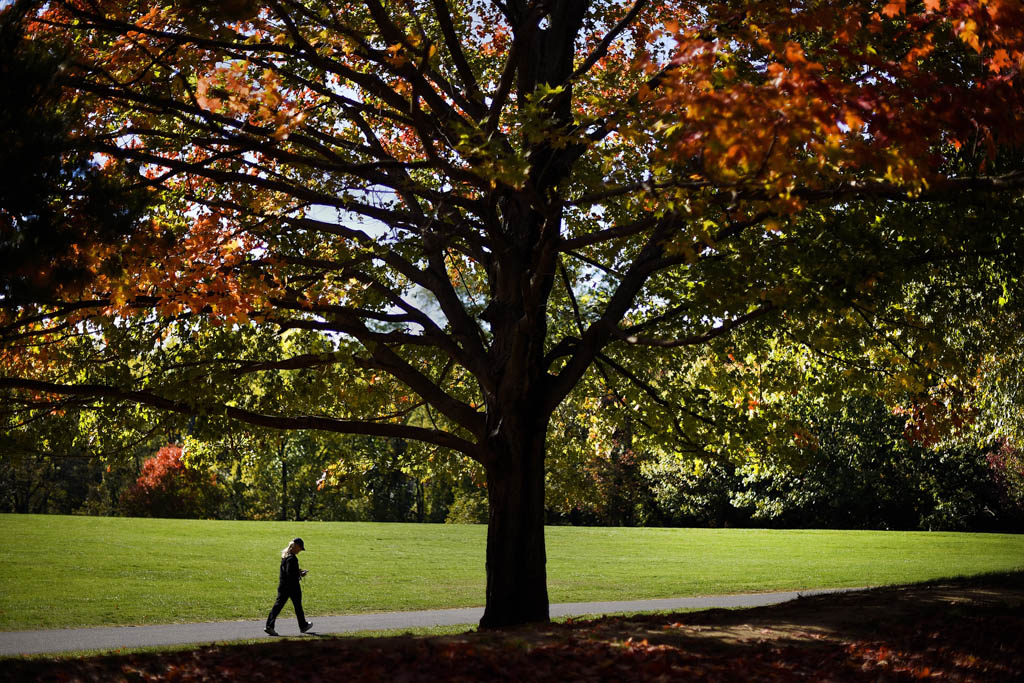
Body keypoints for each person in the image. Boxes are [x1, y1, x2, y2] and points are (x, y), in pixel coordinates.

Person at [264, 537, 313, 635]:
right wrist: (300, 574)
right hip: (292, 586)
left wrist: (298, 571)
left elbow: (288, 571)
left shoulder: (285, 556)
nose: (300, 551)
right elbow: (290, 573)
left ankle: (269, 625)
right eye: (300, 548)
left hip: (283, 585)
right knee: (298, 606)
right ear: (296, 546)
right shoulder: (292, 558)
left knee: (278, 606)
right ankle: (303, 625)